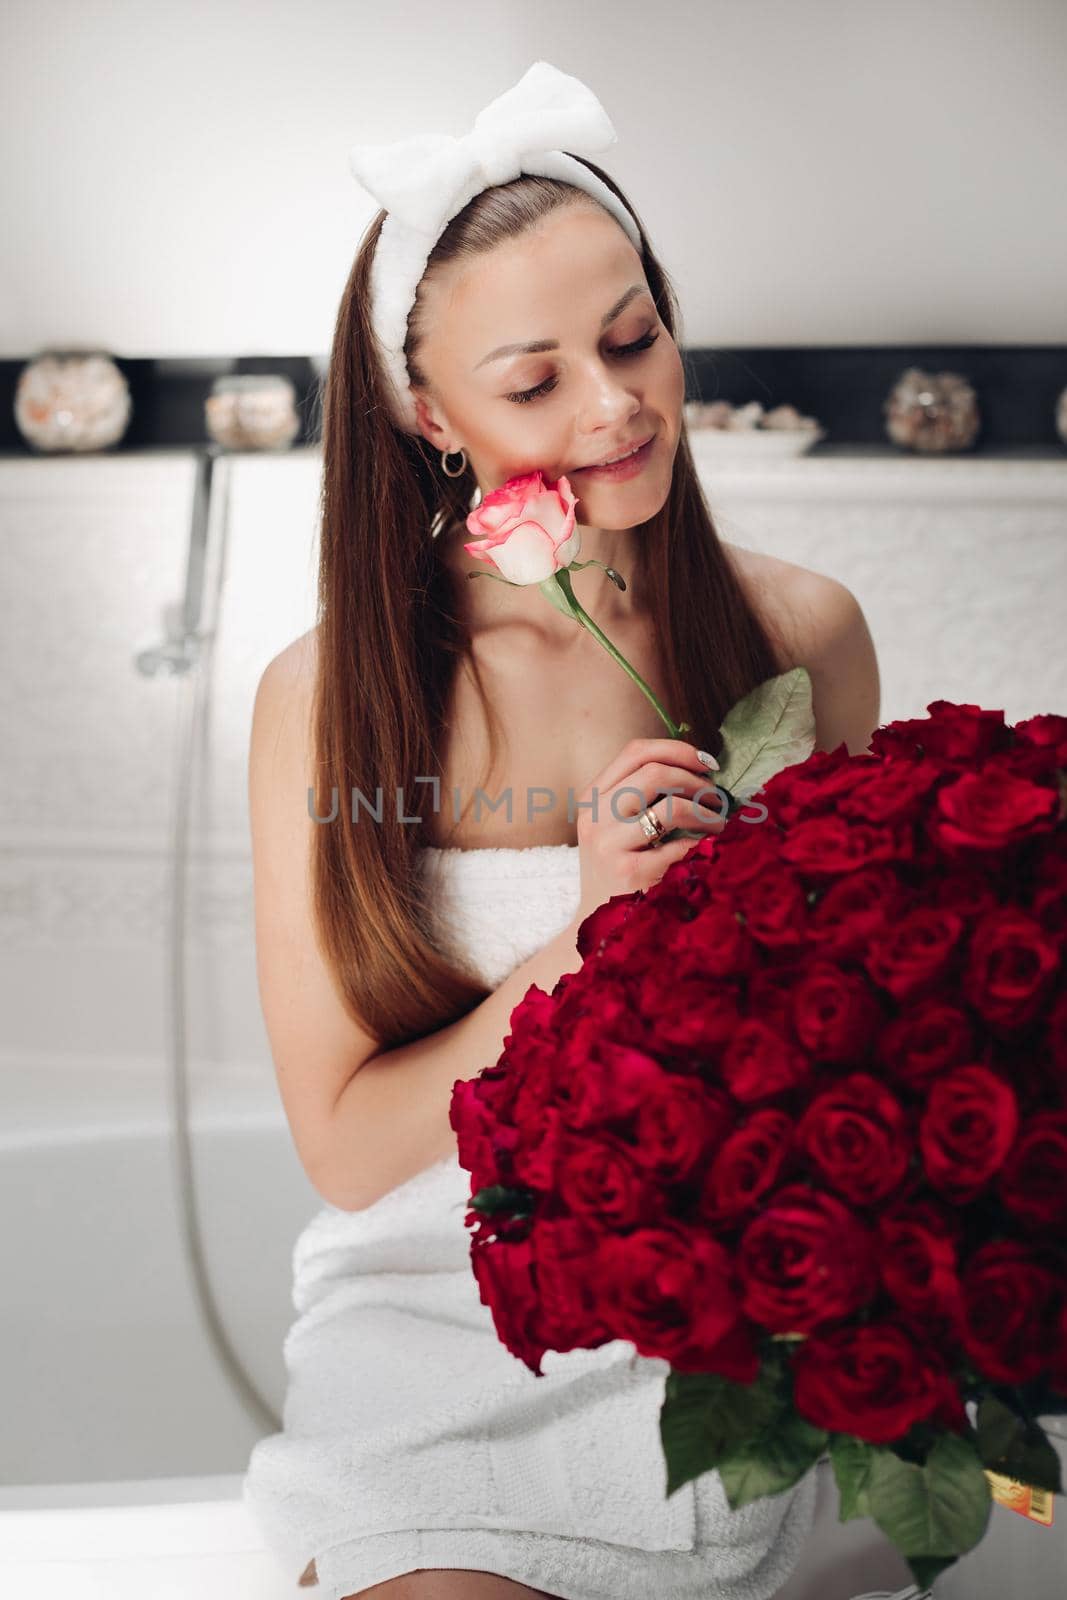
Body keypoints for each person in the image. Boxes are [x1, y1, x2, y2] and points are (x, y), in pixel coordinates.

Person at [242, 61, 881, 1600]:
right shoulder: (330, 702)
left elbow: (850, 1047)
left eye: (634, 338)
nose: (617, 407)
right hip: (430, 1317)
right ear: (426, 412)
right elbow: (347, 1148)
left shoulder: (800, 637)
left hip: (721, 1312)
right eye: (535, 383)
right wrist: (594, 943)